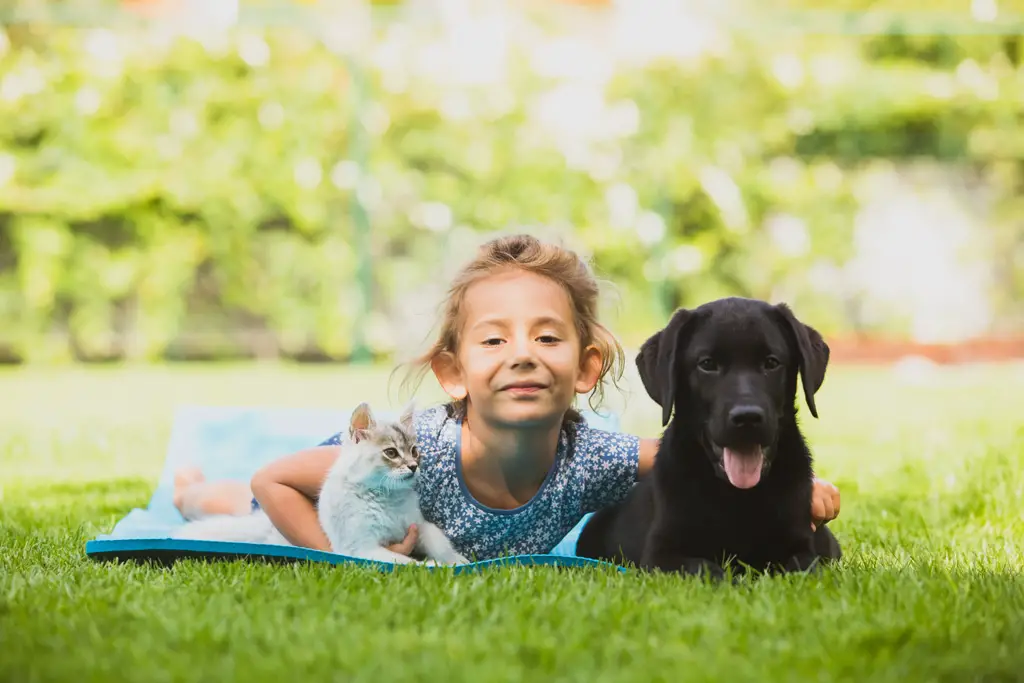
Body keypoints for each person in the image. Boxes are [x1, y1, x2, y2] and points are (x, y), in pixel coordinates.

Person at [172, 233, 841, 561]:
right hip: (355, 497)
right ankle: (194, 491)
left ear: (584, 368)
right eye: (493, 341)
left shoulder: (591, 457)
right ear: (453, 373)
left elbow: (681, 455)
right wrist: (341, 553)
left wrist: (798, 487)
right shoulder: (426, 449)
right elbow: (276, 478)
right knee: (247, 503)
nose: (522, 352)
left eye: (546, 337)